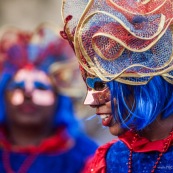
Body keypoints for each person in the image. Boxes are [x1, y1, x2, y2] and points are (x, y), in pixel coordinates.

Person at [61, 0, 173, 172]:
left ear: (140, 83)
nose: (90, 101)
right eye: (89, 86)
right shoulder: (110, 159)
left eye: (100, 84)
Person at [0, 23, 97, 173]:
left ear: (60, 99)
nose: (28, 94)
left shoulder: (88, 157)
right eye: (18, 87)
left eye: (40, 87)